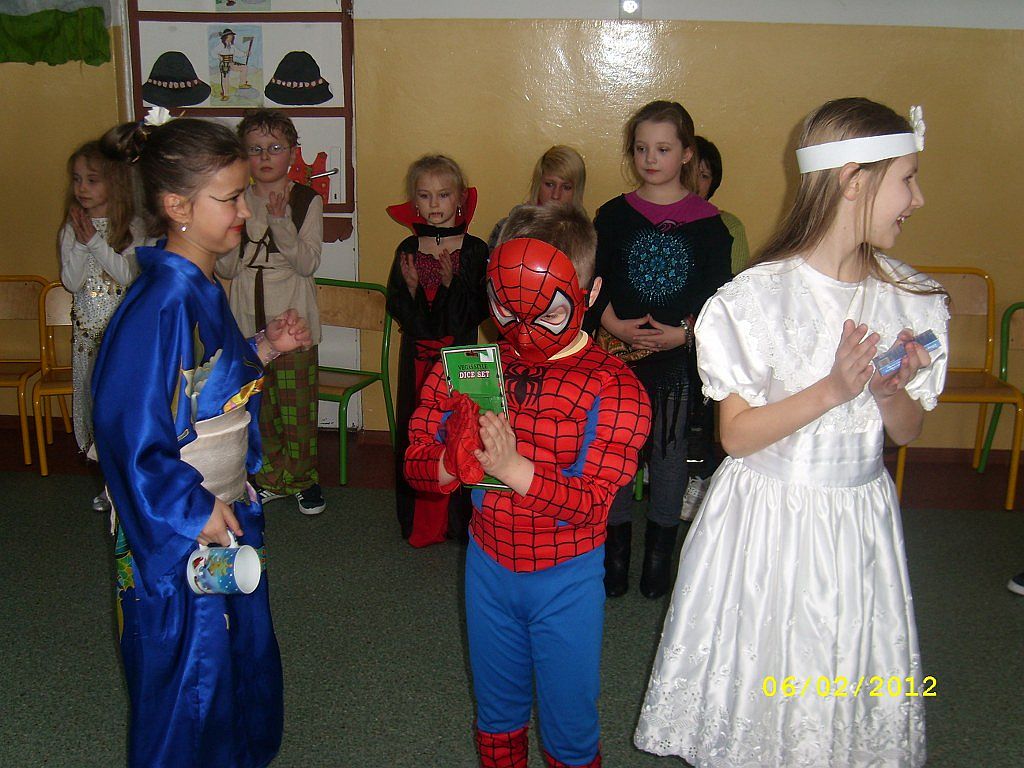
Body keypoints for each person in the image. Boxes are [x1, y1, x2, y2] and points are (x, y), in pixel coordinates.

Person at [634, 98, 947, 767]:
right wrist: (831, 390)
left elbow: (908, 429)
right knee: (765, 665)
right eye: (908, 178)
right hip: (769, 520)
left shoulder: (910, 299)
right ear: (854, 180)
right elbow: (737, 436)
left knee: (839, 664)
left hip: (856, 518)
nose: (918, 199)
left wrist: (888, 393)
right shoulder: (755, 300)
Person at [93, 115, 312, 768]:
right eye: (231, 198)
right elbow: (129, 434)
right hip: (183, 524)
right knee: (188, 672)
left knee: (234, 651)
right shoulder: (158, 304)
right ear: (178, 207)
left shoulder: (200, 287)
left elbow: (201, 389)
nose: (244, 211)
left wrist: (263, 347)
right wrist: (191, 508)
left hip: (221, 507)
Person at [405, 204, 651, 768]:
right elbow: (416, 465)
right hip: (487, 568)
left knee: (569, 724)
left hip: (566, 579)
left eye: (548, 311)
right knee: (497, 716)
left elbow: (592, 506)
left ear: (589, 295)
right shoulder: (470, 365)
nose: (522, 328)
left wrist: (514, 468)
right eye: (506, 307)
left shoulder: (615, 387)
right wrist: (451, 460)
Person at [587, 100, 732, 599]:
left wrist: (685, 334)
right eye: (641, 149)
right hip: (617, 357)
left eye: (663, 149)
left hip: (675, 361)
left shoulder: (708, 223)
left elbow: (719, 296)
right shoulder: (613, 215)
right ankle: (614, 559)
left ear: (687, 154)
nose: (651, 159)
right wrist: (612, 323)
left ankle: (658, 563)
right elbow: (593, 278)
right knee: (616, 453)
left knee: (669, 458)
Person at [216, 108, 326, 516]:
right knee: (258, 407)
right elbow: (227, 269)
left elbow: (307, 263)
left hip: (293, 319)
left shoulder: (306, 200)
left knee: (297, 408)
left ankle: (302, 479)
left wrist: (281, 222)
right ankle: (268, 477)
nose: (265, 157)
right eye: (255, 149)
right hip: (247, 316)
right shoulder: (236, 200)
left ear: (292, 153)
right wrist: (227, 236)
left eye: (275, 148)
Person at [386, 154, 488, 546]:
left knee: (460, 432)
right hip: (418, 359)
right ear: (415, 201)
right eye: (425, 195)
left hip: (459, 360)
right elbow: (401, 308)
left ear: (459, 198)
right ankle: (419, 523)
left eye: (443, 195)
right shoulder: (408, 247)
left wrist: (451, 285)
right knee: (420, 432)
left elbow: (474, 313)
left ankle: (458, 522)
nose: (434, 204)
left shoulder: (474, 250)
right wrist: (413, 289)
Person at [58, 140, 147, 511]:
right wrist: (80, 243)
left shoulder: (133, 227)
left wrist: (94, 241)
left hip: (123, 339)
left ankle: (133, 480)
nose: (82, 188)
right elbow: (71, 282)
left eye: (92, 180)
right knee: (96, 412)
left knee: (124, 412)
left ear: (115, 182)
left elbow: (128, 275)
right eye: (77, 179)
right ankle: (110, 483)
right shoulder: (72, 228)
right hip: (88, 339)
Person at [678, 135, 754, 521]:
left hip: (710, 332)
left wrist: (698, 324)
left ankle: (703, 473)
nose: (696, 183)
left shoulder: (728, 225)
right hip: (663, 335)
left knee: (716, 397)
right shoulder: (662, 221)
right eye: (691, 173)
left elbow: (734, 290)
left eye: (705, 175)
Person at [487, 144, 587, 248]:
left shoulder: (584, 238)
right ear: (538, 184)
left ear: (577, 191)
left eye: (566, 187)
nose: (556, 195)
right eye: (549, 184)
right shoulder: (508, 230)